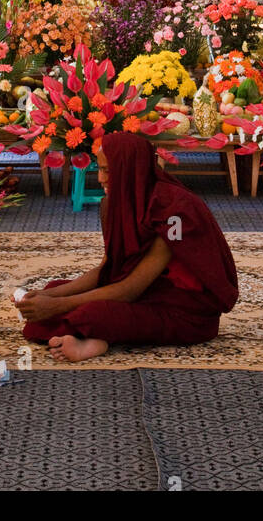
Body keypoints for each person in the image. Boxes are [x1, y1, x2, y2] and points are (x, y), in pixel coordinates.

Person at [19, 131, 239, 362]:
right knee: (55, 291)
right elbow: (107, 269)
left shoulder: (174, 210)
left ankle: (98, 339)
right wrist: (47, 295)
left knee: (92, 314)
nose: (101, 179)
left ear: (129, 169)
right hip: (148, 293)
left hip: (185, 312)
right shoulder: (117, 201)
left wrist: (56, 305)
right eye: (99, 169)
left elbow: (130, 288)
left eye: (107, 171)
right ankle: (91, 334)